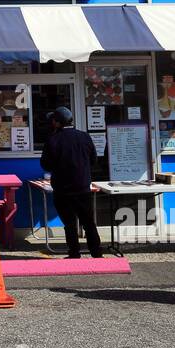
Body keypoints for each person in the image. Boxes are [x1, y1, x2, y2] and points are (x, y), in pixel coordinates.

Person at [39, 106, 103, 258]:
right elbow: (94, 160)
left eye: (53, 120)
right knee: (88, 222)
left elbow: (46, 165)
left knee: (69, 223)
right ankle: (97, 252)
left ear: (56, 122)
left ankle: (74, 253)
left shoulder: (53, 140)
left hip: (62, 189)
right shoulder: (84, 137)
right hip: (83, 186)